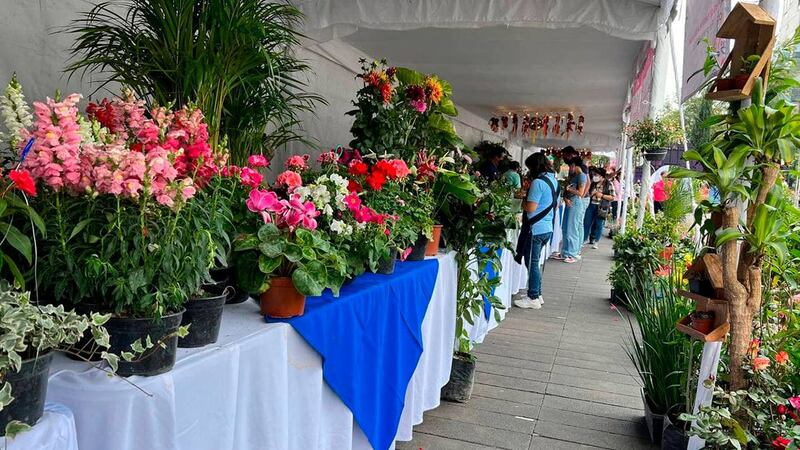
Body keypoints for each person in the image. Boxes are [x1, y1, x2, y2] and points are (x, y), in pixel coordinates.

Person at [514, 152, 559, 309]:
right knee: (534, 262)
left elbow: (531, 207)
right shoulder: (554, 180)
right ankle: (537, 294)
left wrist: (522, 202)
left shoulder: (538, 182)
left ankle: (533, 297)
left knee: (532, 262)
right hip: (547, 227)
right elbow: (556, 205)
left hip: (536, 229)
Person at [559, 157, 588, 264]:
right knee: (565, 227)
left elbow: (580, 193)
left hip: (575, 203)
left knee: (572, 228)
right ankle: (565, 252)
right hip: (569, 201)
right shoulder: (575, 176)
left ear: (576, 165)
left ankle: (573, 253)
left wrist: (569, 189)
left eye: (571, 166)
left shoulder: (582, 176)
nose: (570, 168)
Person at [583, 169, 616, 248]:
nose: (595, 177)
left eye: (597, 175)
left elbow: (612, 197)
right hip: (591, 205)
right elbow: (586, 194)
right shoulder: (592, 183)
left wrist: (601, 195)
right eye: (595, 175)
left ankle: (596, 241)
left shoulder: (609, 184)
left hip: (601, 206)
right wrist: (591, 193)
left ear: (602, 177)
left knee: (599, 224)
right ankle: (584, 239)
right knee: (586, 223)